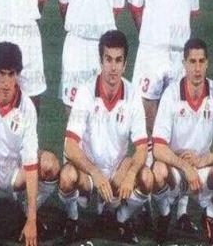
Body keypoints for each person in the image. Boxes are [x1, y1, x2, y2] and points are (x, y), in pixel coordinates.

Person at [128, 0, 199, 229]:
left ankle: (181, 209)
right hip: (152, 52)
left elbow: (192, 11)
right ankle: (147, 201)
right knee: (147, 127)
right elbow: (135, 7)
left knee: (181, 129)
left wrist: (177, 42)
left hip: (179, 55)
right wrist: (154, 35)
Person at [59, 30, 152, 244]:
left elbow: (141, 147)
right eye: (108, 59)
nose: (113, 67)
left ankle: (121, 219)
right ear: (101, 61)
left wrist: (130, 174)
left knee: (147, 177)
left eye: (118, 60)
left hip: (116, 169)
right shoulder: (85, 92)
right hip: (88, 170)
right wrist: (95, 172)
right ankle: (73, 219)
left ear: (125, 64)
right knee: (66, 177)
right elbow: (70, 146)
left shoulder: (133, 94)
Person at [0, 42, 60, 246]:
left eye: (11, 74)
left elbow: (31, 164)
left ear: (18, 75)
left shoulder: (27, 108)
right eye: (2, 73)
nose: (6, 82)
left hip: (15, 170)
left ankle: (28, 209)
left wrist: (32, 220)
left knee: (50, 165)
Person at [152, 38, 213, 245]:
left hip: (203, 168)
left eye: (201, 61)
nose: (197, 68)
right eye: (192, 61)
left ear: (207, 63)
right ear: (184, 64)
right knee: (157, 171)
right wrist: (185, 166)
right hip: (176, 168)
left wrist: (202, 161)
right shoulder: (171, 94)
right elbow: (158, 148)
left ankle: (211, 216)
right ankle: (165, 215)